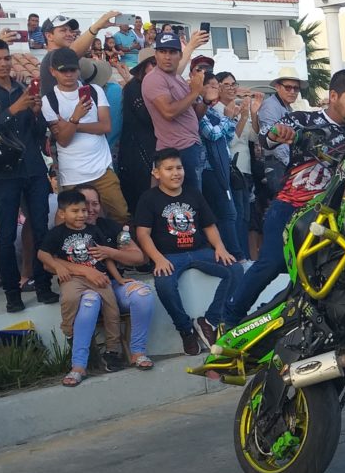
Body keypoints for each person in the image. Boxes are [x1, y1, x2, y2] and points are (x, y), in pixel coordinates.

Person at [225, 70, 345, 327]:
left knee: (324, 276)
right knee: (271, 264)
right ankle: (229, 320)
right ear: (333, 96)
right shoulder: (304, 119)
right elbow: (267, 139)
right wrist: (276, 133)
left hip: (333, 217)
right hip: (291, 207)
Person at [134, 148, 242, 355]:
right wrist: (157, 259)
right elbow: (143, 234)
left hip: (201, 251)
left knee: (235, 270)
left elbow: (209, 226)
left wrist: (220, 247)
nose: (176, 173)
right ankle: (185, 329)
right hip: (170, 257)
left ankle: (209, 321)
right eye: (169, 169)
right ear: (156, 173)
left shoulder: (194, 193)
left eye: (179, 168)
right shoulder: (149, 198)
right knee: (164, 284)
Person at [0, 37, 59, 312]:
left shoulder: (21, 86)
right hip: (4, 173)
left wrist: (35, 113)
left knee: (41, 228)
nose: (3, 63)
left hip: (32, 167)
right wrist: (12, 110)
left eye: (6, 58)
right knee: (7, 234)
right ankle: (13, 294)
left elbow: (35, 134)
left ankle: (43, 285)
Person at [38, 190, 126, 387]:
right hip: (74, 278)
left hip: (99, 277)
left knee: (112, 310)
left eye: (84, 210)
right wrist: (59, 266)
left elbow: (106, 258)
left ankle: (112, 349)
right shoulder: (57, 233)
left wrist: (119, 279)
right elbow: (43, 255)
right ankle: (69, 331)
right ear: (62, 214)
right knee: (69, 299)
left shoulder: (94, 231)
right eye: (75, 211)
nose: (81, 215)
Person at [41, 47, 130, 224]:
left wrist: (71, 124)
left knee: (121, 216)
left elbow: (105, 126)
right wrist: (76, 116)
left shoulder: (95, 91)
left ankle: (125, 250)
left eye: (72, 69)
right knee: (72, 221)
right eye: (63, 70)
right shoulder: (48, 100)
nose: (68, 74)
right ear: (53, 72)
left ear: (78, 70)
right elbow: (64, 141)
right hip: (72, 174)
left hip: (102, 169)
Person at [76, 184, 154, 369]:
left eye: (95, 203)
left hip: (114, 285)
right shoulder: (66, 231)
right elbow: (50, 262)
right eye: (85, 203)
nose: (91, 208)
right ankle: (79, 364)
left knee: (143, 294)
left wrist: (110, 252)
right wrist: (86, 271)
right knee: (90, 300)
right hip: (84, 288)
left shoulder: (110, 227)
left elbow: (139, 257)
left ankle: (138, 352)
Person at [142, 31, 207, 192]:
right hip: (176, 149)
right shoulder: (154, 78)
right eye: (162, 52)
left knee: (192, 200)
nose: (167, 57)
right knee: (186, 200)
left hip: (189, 146)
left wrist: (205, 99)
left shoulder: (176, 78)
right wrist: (194, 92)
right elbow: (169, 112)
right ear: (155, 55)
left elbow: (193, 115)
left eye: (172, 52)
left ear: (179, 55)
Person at [215, 71, 262, 261]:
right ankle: (237, 255)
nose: (232, 88)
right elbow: (229, 141)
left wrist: (253, 113)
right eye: (227, 84)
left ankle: (244, 256)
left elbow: (254, 136)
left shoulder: (238, 107)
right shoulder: (217, 110)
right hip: (230, 169)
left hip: (245, 169)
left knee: (245, 217)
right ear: (217, 87)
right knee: (235, 215)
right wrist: (242, 117)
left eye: (234, 84)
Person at [198, 71, 242, 260]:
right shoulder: (199, 110)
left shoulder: (212, 111)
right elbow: (212, 134)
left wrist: (232, 118)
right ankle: (235, 255)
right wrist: (227, 117)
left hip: (220, 168)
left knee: (229, 213)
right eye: (214, 86)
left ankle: (230, 254)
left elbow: (228, 136)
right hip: (209, 169)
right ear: (203, 88)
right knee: (226, 213)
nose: (217, 89)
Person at [39, 11, 121, 97]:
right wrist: (96, 27)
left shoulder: (56, 57)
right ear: (49, 36)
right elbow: (72, 53)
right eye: (63, 30)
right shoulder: (52, 57)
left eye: (70, 31)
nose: (70, 34)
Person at [118, 47, 156, 212]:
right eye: (153, 64)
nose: (157, 68)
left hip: (149, 149)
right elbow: (147, 118)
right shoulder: (134, 88)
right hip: (137, 153)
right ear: (144, 67)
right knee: (142, 203)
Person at [258, 68, 307, 195]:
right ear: (277, 87)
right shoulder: (270, 106)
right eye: (288, 87)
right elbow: (271, 138)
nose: (293, 91)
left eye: (296, 88)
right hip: (278, 164)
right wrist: (290, 165)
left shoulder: (286, 107)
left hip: (283, 164)